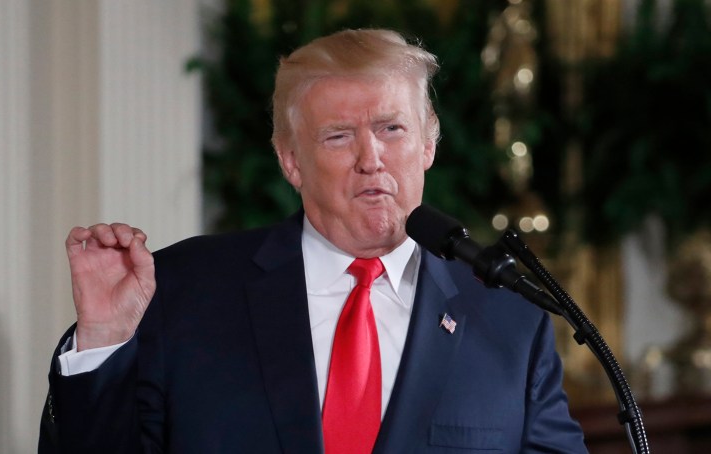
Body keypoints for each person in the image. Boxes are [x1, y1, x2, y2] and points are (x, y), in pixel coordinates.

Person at [39, 28, 587, 453]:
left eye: (392, 129)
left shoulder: (506, 318)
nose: (370, 158)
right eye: (339, 136)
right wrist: (105, 341)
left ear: (429, 145)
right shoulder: (183, 291)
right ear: (291, 160)